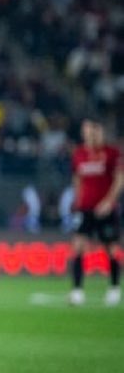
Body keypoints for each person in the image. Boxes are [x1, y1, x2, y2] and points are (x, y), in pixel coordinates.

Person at [68, 119, 123, 306]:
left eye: (91, 130)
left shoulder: (112, 153)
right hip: (85, 208)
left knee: (111, 249)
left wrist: (109, 202)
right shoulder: (79, 154)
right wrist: (77, 200)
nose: (88, 134)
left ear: (99, 130)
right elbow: (77, 179)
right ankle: (77, 291)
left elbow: (119, 179)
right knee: (77, 247)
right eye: (85, 130)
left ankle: (114, 288)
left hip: (105, 209)